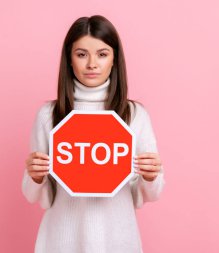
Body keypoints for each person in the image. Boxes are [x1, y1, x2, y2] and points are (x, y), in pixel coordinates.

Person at [22, 15, 165, 253]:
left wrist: (151, 175)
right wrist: (35, 176)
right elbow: (35, 195)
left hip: (118, 240)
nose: (92, 64)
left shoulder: (134, 114)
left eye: (102, 54)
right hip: (61, 241)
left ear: (114, 60)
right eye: (81, 54)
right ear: (69, 59)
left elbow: (150, 193)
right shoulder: (49, 115)